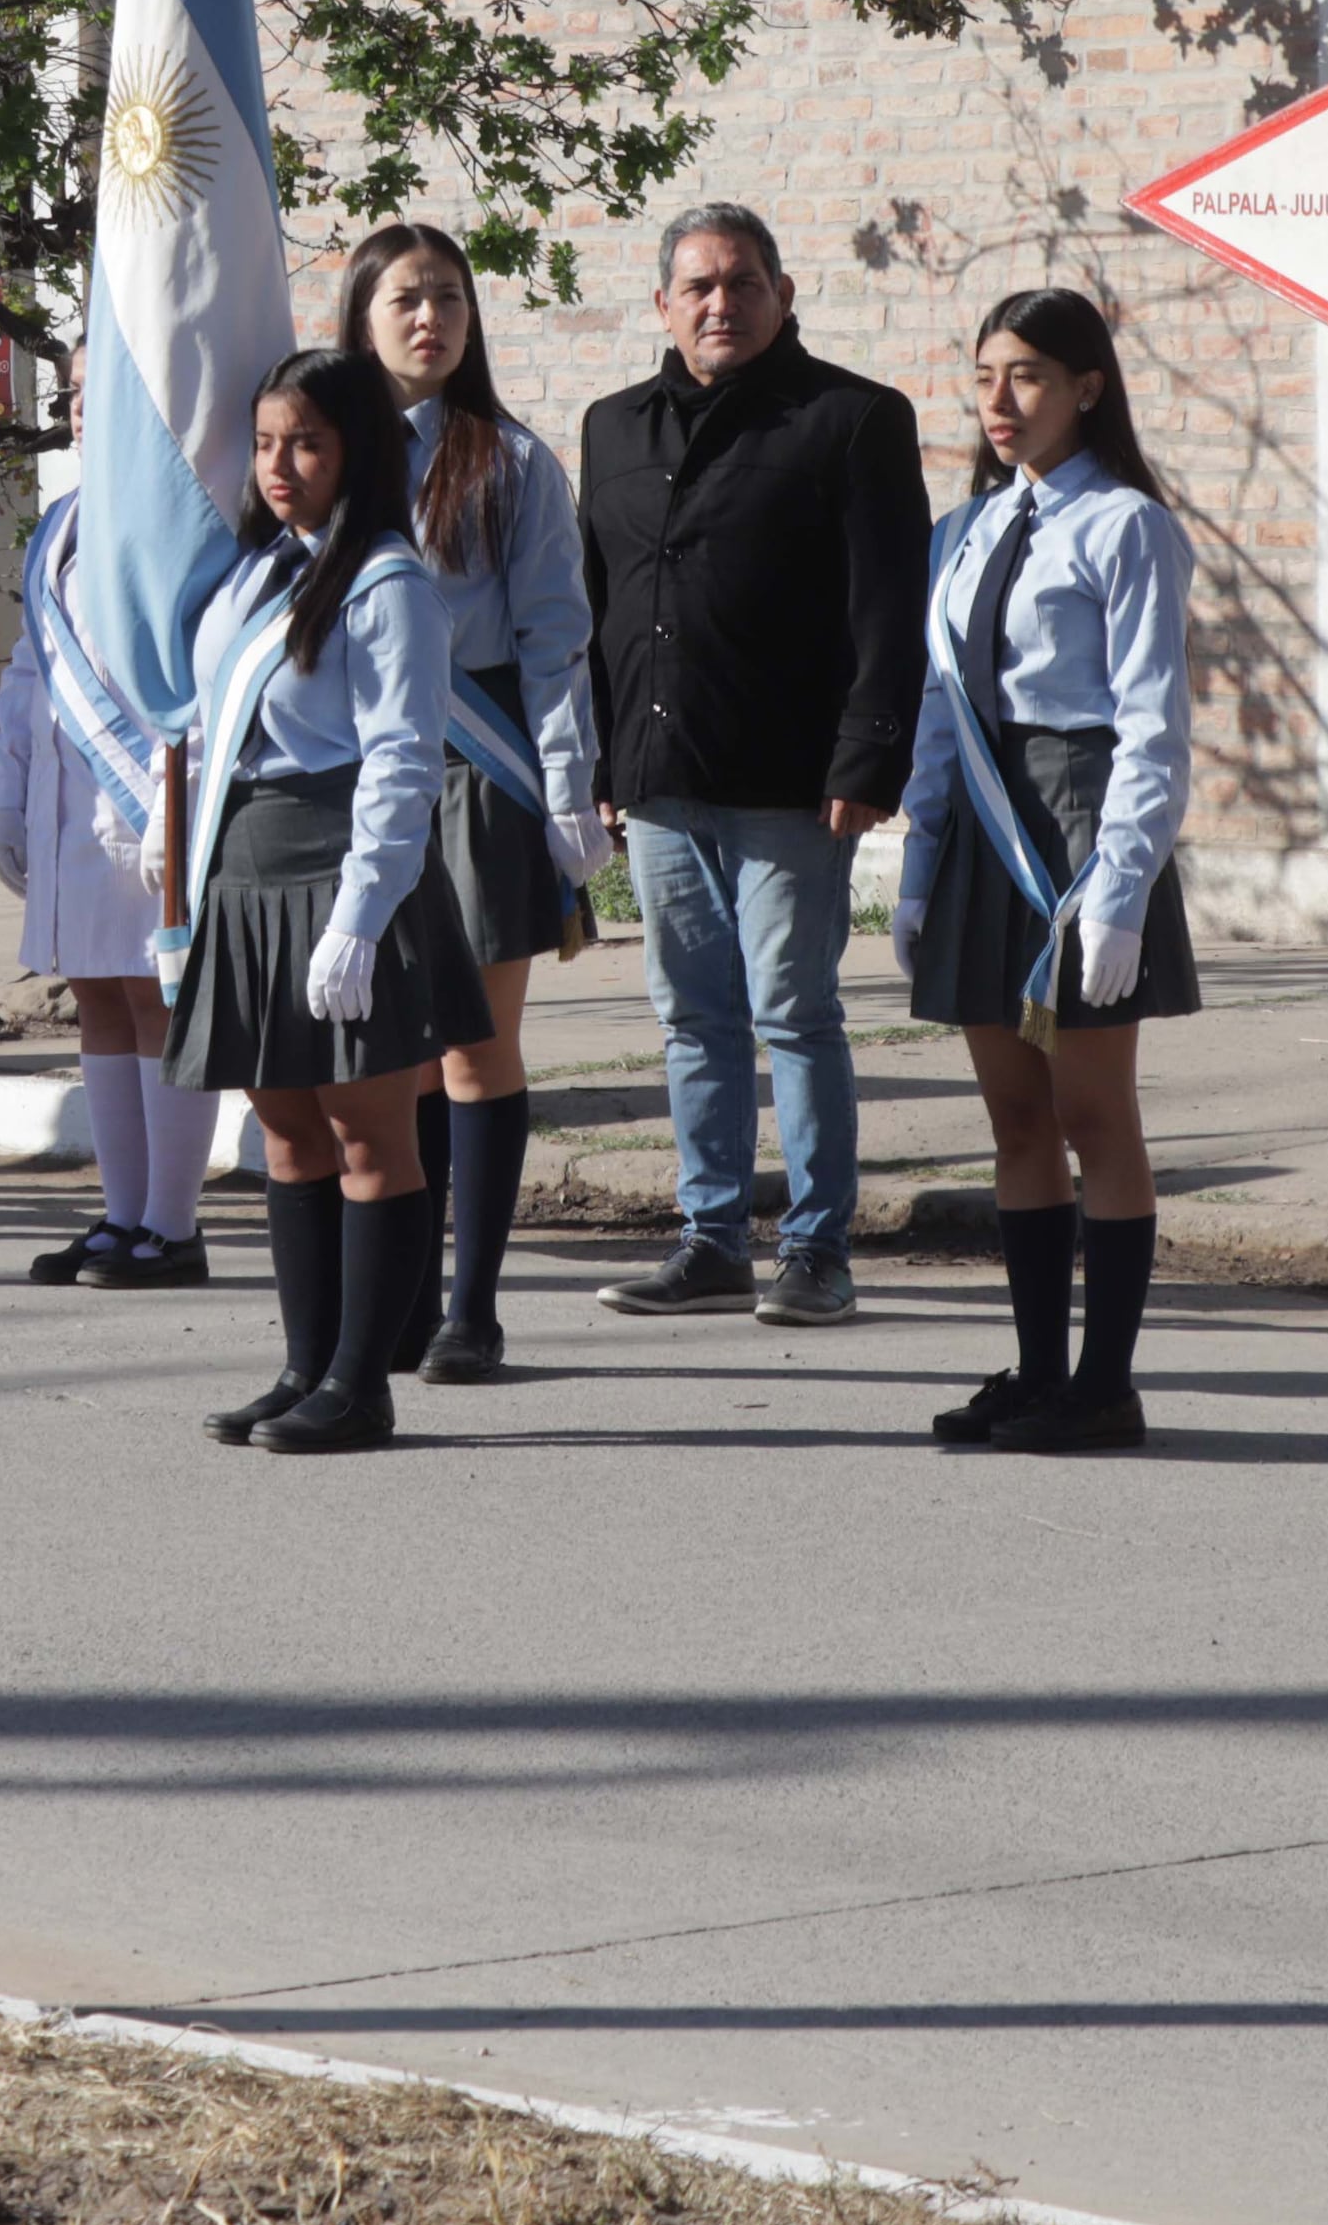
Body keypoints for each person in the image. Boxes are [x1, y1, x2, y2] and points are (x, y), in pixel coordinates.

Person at [576, 204, 929, 1331]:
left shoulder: (849, 420)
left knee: (792, 1011)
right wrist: (596, 747)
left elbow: (888, 606)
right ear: (662, 305)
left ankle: (816, 1250)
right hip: (659, 772)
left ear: (782, 294)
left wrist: (871, 752)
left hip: (793, 779)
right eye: (697, 286)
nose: (718, 304)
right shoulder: (610, 427)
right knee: (690, 1015)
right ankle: (710, 1239)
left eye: (740, 283)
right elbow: (597, 604)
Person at [894, 288, 1202, 1456]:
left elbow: (1152, 729)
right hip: (983, 821)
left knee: (1090, 1112)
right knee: (1013, 1116)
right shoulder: (965, 527)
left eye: (1025, 375)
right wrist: (919, 867)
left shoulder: (1124, 525)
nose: (999, 400)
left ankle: (1103, 1382)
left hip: (1077, 826)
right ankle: (1034, 1369)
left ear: (1086, 386)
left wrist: (1120, 891)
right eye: (984, 377)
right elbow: (940, 705)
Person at [177, 347, 486, 1457]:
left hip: (345, 861)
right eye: (264, 444)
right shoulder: (259, 571)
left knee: (367, 1129)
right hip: (251, 867)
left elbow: (403, 757)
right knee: (284, 1128)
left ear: (355, 449)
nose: (278, 465)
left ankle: (363, 1381)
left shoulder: (386, 581)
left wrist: (362, 911)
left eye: (304, 443)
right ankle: (303, 1366)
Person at [344, 222, 602, 1381]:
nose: (429, 320)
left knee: (472, 1055)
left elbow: (555, 638)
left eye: (448, 298)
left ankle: (472, 1307)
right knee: (385, 1062)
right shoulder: (321, 455)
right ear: (359, 316)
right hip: (354, 779)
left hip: (478, 776)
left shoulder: (506, 461)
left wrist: (567, 789)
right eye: (405, 298)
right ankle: (393, 1304)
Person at [0, 455, 224, 1290]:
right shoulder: (61, 519)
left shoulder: (180, 515)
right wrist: (8, 794)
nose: (88, 408)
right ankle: (123, 1214)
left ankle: (173, 1223)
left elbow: (199, 676)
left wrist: (177, 801)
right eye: (77, 391)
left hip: (143, 799)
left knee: (152, 996)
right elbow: (30, 668)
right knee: (96, 993)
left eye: (103, 389)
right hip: (68, 804)